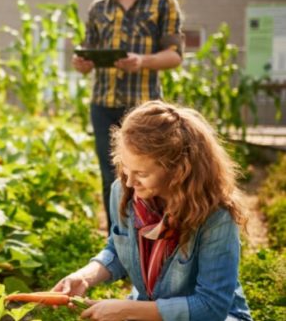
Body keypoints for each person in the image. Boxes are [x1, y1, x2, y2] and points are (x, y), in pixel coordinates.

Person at [52, 100, 252, 321]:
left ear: (178, 171)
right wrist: (85, 277)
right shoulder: (124, 191)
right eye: (125, 167)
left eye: (142, 174)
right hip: (150, 310)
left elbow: (211, 307)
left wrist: (127, 310)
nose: (129, 182)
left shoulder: (216, 215)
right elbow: (118, 249)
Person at [72, 0, 184, 233]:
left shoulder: (163, 3)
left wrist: (141, 61)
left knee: (150, 174)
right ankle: (118, 239)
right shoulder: (99, 8)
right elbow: (88, 53)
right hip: (103, 103)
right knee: (110, 175)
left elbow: (175, 56)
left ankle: (152, 233)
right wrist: (82, 64)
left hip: (143, 108)